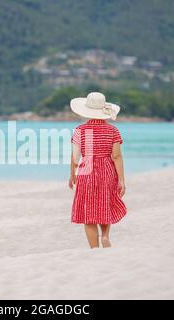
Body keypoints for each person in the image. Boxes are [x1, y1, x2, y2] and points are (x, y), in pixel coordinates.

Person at [68, 92, 127, 248]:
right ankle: (106, 236)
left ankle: (94, 249)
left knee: (89, 212)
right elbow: (116, 156)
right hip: (107, 171)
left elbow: (75, 157)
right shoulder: (113, 131)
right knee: (104, 205)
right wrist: (121, 179)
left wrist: (71, 175)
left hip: (86, 171)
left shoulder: (80, 130)